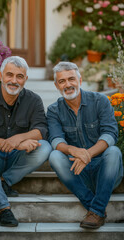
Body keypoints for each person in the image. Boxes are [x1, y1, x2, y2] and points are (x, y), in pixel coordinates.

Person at [0, 56, 52, 227]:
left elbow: (41, 131)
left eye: (19, 76)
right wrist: (11, 143)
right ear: (1, 76)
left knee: (44, 147)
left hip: (16, 158)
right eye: (9, 75)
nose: (14, 81)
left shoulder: (33, 100)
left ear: (25, 79)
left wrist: (18, 140)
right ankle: (4, 208)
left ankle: (4, 181)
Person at [47, 61, 123, 229]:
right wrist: (72, 150)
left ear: (80, 80)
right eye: (62, 81)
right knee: (54, 156)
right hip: (77, 172)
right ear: (56, 85)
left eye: (71, 79)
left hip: (105, 171)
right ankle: (96, 209)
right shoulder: (54, 110)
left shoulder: (100, 101)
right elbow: (55, 139)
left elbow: (110, 133)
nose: (68, 84)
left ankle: (95, 211)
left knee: (114, 152)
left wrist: (87, 154)